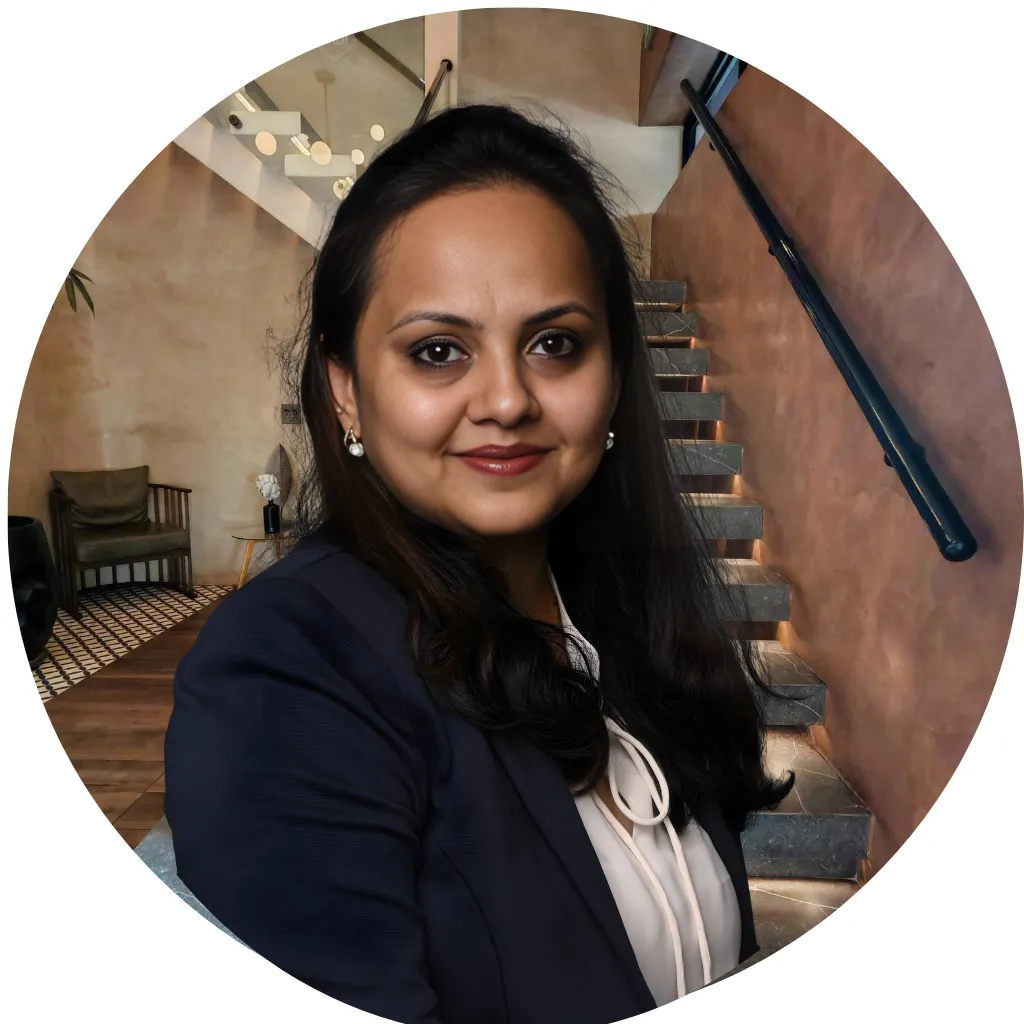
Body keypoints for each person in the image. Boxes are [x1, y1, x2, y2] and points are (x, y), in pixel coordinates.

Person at [164, 103, 792, 1024]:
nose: (506, 399)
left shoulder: (625, 617)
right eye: (438, 351)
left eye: (555, 344)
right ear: (345, 389)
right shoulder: (286, 667)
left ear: (615, 372)